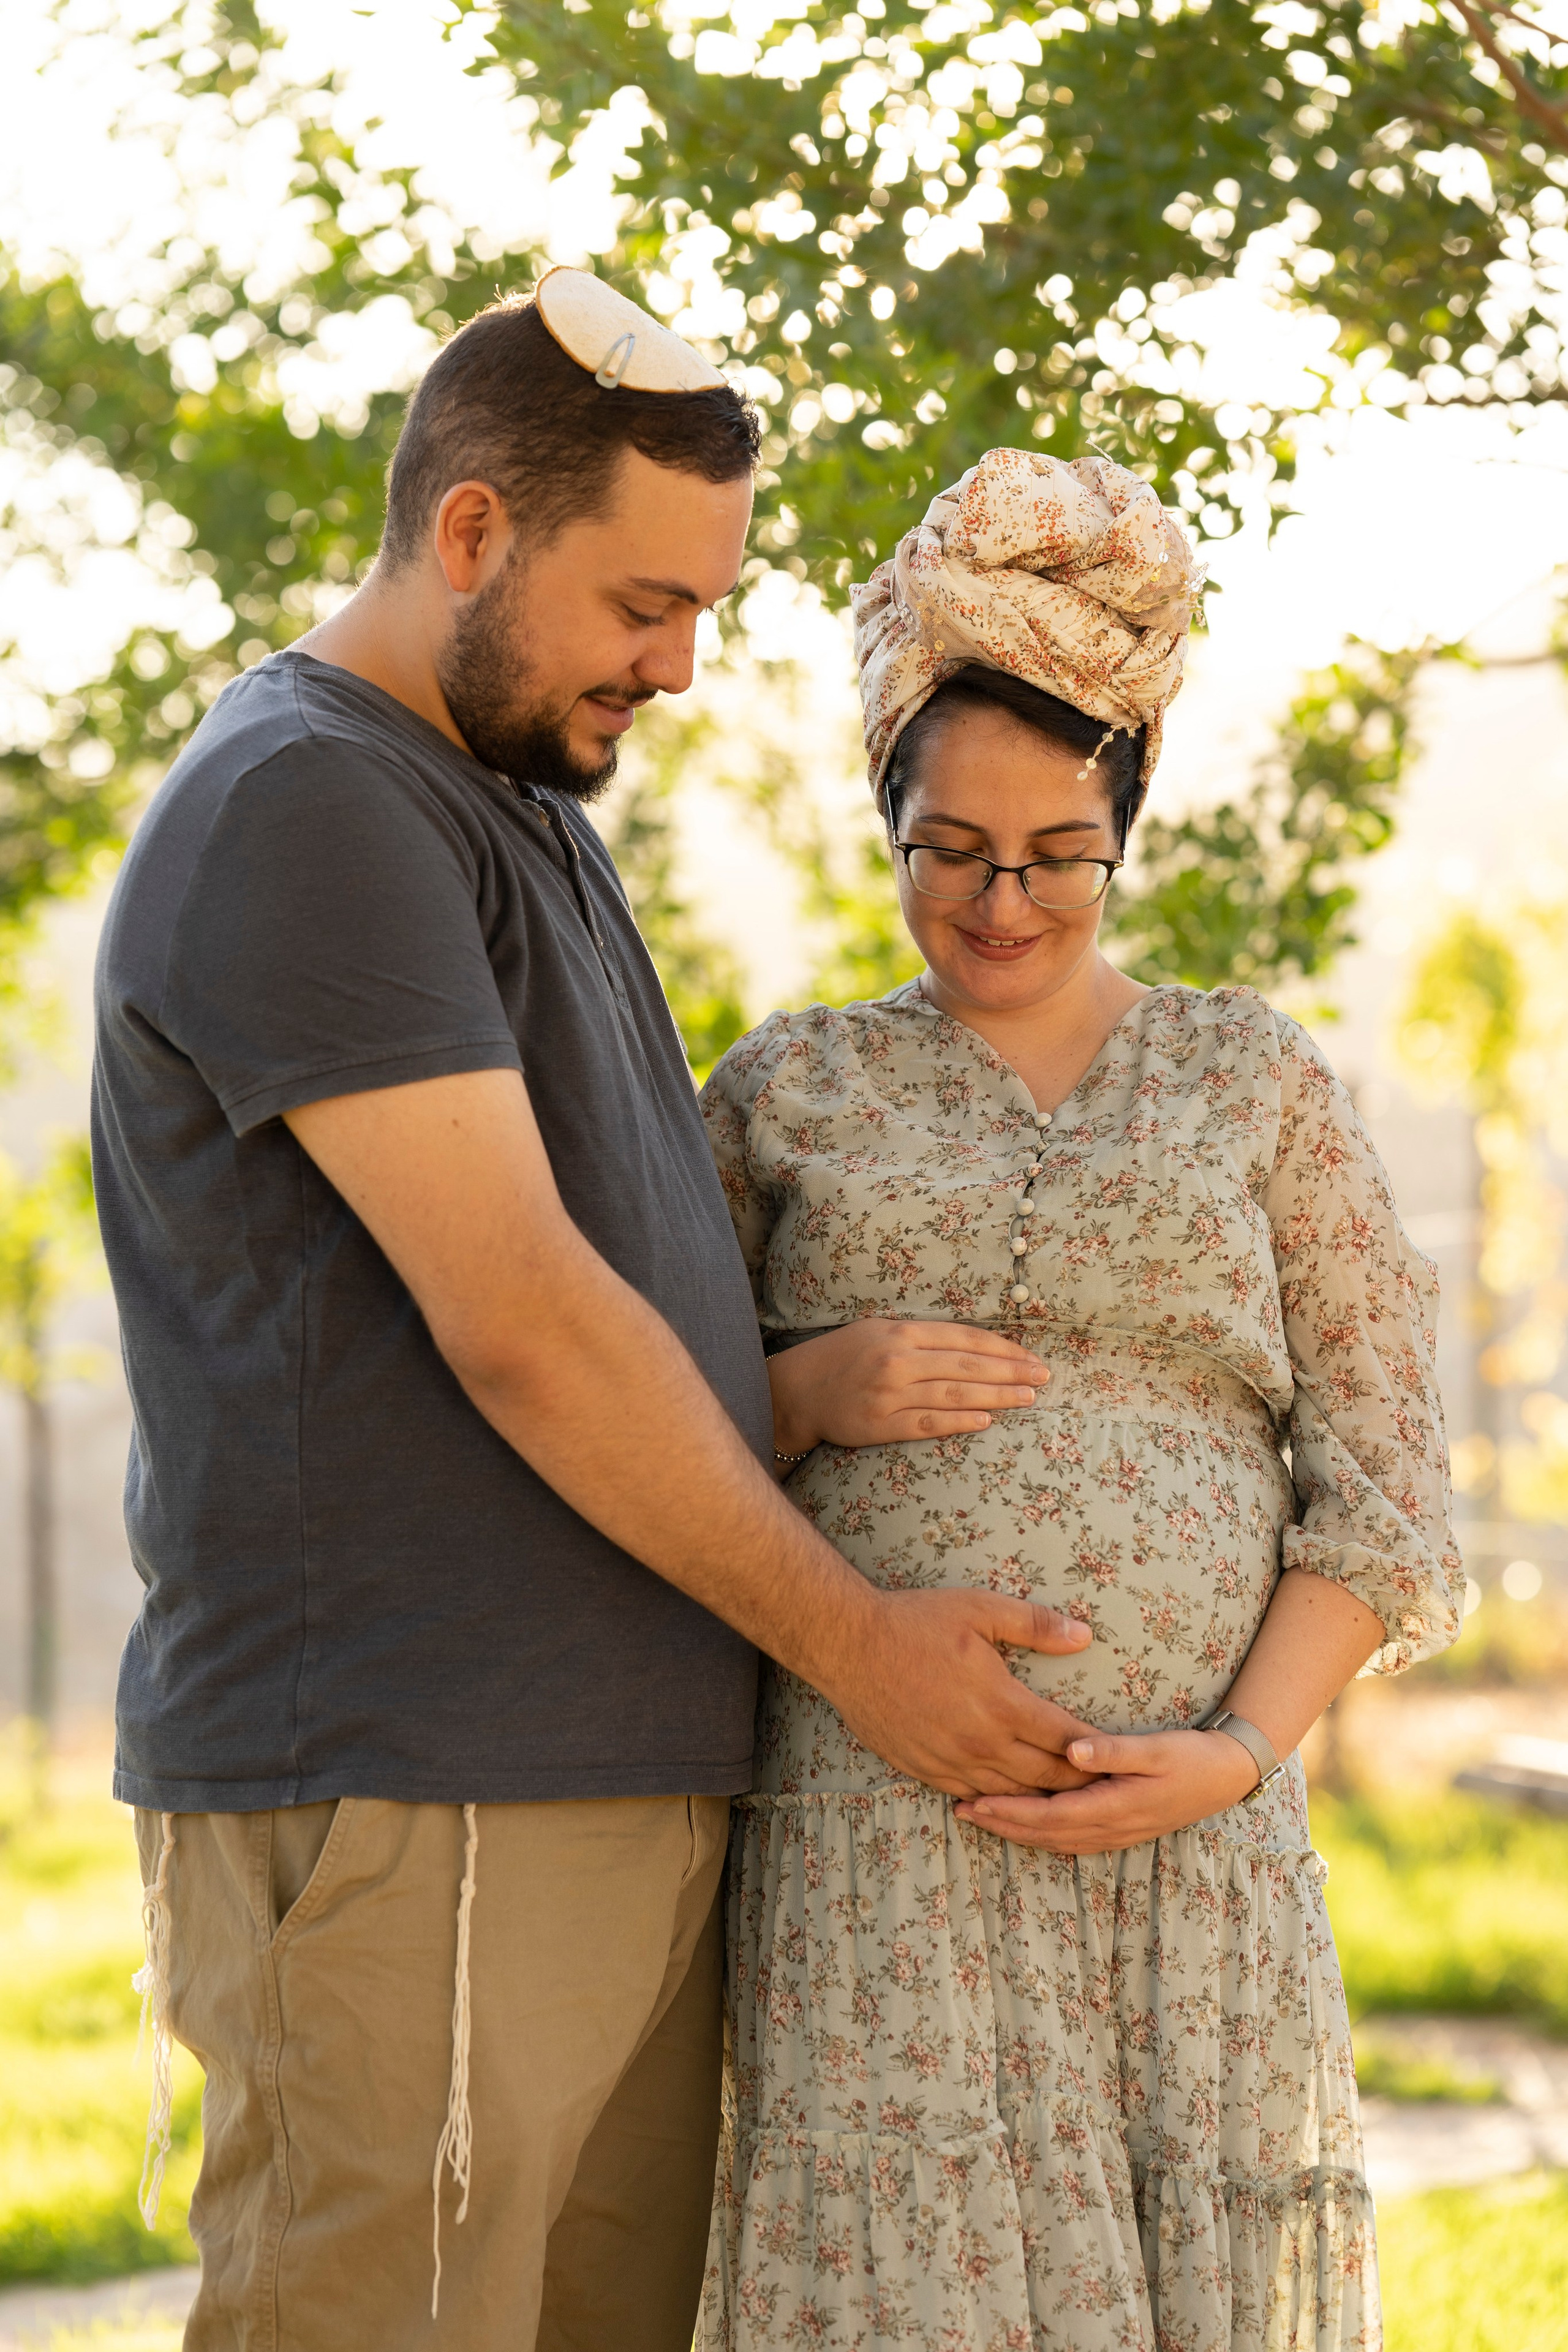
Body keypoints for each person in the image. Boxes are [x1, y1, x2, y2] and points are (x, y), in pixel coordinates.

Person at [93, 289, 1099, 2352]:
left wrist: (789, 1390)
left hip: (597, 1780)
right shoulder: (314, 802)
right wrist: (858, 1644)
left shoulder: (519, 807)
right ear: (469, 533)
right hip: (423, 1786)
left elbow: (618, 1270)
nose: (683, 662)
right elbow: (529, 1324)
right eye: (643, 601)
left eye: (708, 603)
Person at [698, 446, 1463, 2351]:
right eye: (948, 849)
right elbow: (650, 1436)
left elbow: (1380, 1488)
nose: (1003, 901)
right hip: (886, 1851)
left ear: (1128, 830)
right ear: (887, 816)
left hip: (1191, 1866)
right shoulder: (785, 1092)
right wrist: (811, 1382)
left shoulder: (1256, 1087)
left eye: (1056, 855)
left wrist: (1235, 1757)